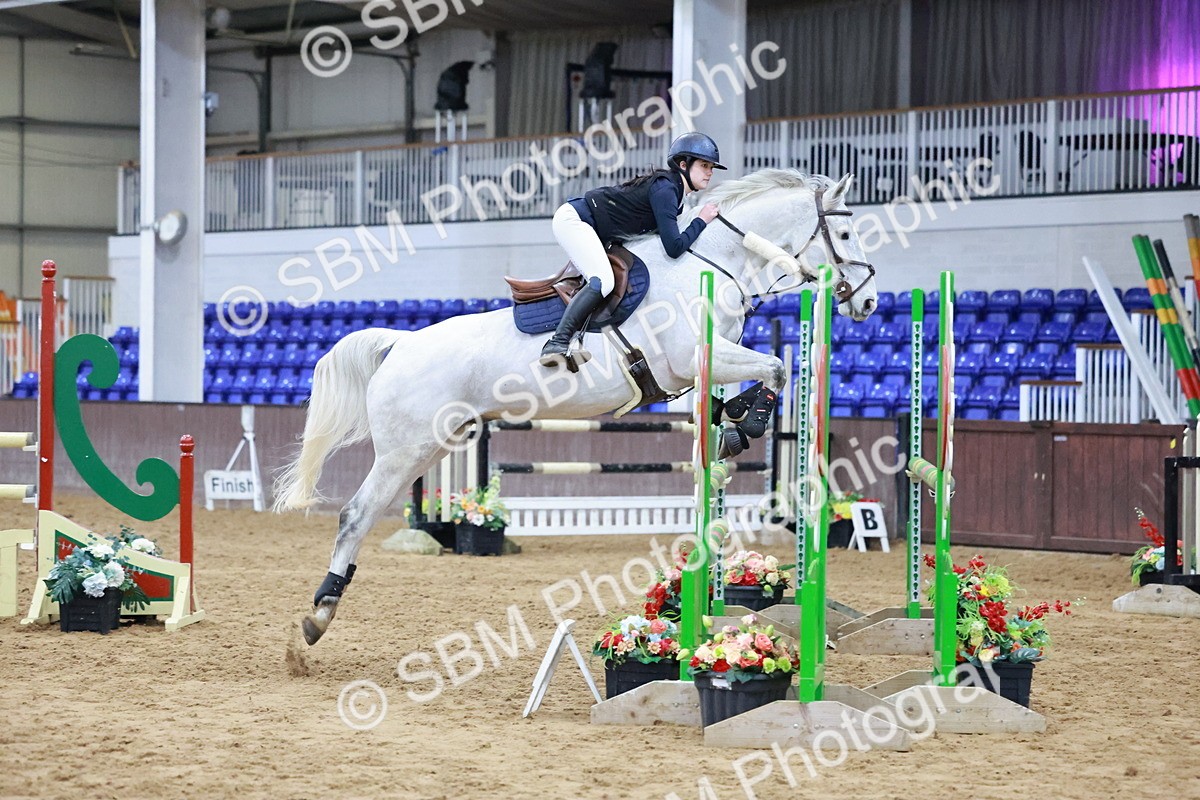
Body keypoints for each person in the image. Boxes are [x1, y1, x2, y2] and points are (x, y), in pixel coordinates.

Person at [539, 131, 726, 367]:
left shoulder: (675, 196)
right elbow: (674, 247)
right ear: (683, 165)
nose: (710, 172)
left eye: (711, 167)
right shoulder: (666, 190)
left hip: (594, 228)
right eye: (704, 165)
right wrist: (701, 220)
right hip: (575, 220)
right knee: (603, 281)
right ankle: (557, 342)